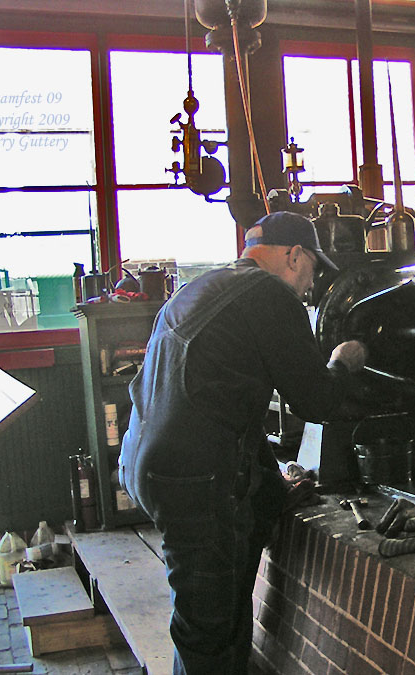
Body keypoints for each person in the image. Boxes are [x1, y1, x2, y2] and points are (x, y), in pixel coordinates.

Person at [118, 211, 367, 674]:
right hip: (192, 482)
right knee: (207, 629)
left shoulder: (199, 289)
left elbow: (227, 409)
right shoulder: (271, 296)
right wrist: (341, 361)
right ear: (295, 256)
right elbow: (317, 401)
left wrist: (272, 491)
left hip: (148, 463)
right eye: (313, 271)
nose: (310, 287)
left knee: (223, 613)